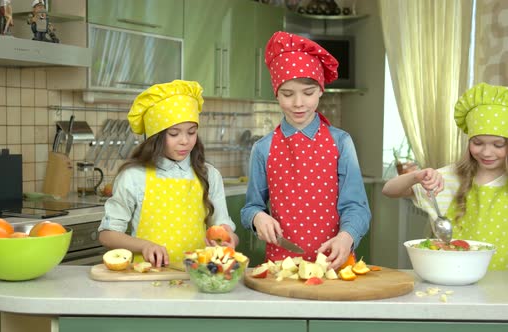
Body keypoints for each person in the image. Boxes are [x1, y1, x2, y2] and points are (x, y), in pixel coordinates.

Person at [240, 31, 371, 270]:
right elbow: (251, 207)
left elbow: (357, 206)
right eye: (288, 94)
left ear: (321, 89)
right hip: (282, 267)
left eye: (308, 93)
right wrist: (257, 217)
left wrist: (347, 236)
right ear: (276, 94)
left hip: (334, 264)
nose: (298, 103)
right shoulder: (263, 148)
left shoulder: (341, 142)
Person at [98, 80, 239, 268]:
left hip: (196, 278)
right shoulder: (133, 176)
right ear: (155, 137)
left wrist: (230, 240)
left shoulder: (209, 174)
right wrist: (145, 245)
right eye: (174, 134)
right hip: (147, 279)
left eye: (192, 132)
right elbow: (107, 234)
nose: (185, 141)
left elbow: (224, 227)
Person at [382, 82, 508, 270]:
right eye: (478, 142)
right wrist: (417, 176)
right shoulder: (452, 177)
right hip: (451, 277)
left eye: (498, 145)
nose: (486, 152)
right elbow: (388, 190)